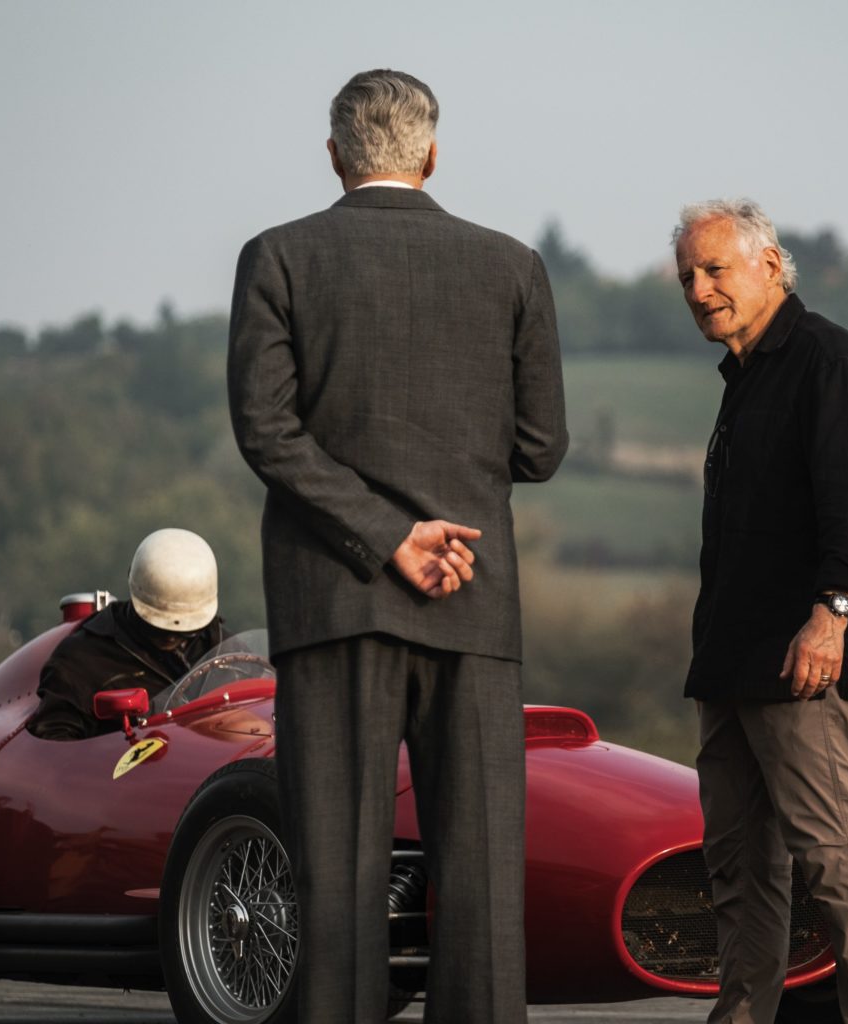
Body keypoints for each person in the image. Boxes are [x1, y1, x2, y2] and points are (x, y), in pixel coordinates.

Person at [226, 69, 566, 1023]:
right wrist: (437, 520)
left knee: (335, 884)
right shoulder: (513, 266)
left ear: (335, 155)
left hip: (333, 605)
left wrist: (384, 537)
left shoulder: (278, 257)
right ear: (432, 154)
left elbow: (267, 432)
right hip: (472, 597)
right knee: (484, 888)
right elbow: (541, 448)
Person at [673, 199, 848, 1024]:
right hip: (729, 664)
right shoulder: (746, 379)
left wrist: (831, 614)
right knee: (739, 872)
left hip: (799, 661)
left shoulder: (827, 361)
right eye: (687, 277)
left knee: (835, 859)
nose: (699, 290)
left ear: (771, 265)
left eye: (715, 269)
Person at [29, 528, 226, 741]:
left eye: (185, 632)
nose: (170, 638)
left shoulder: (226, 650)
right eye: (158, 628)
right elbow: (55, 742)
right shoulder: (83, 659)